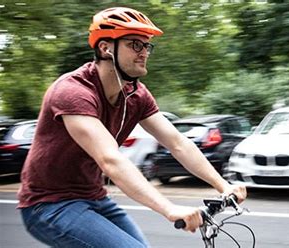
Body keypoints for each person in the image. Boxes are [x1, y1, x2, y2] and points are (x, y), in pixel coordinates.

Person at [17, 7, 246, 247]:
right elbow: (110, 160)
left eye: (147, 46)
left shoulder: (136, 95)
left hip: (94, 198)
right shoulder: (72, 92)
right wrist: (169, 209)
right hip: (49, 205)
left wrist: (224, 185)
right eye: (135, 44)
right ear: (106, 48)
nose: (144, 52)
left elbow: (178, 143)